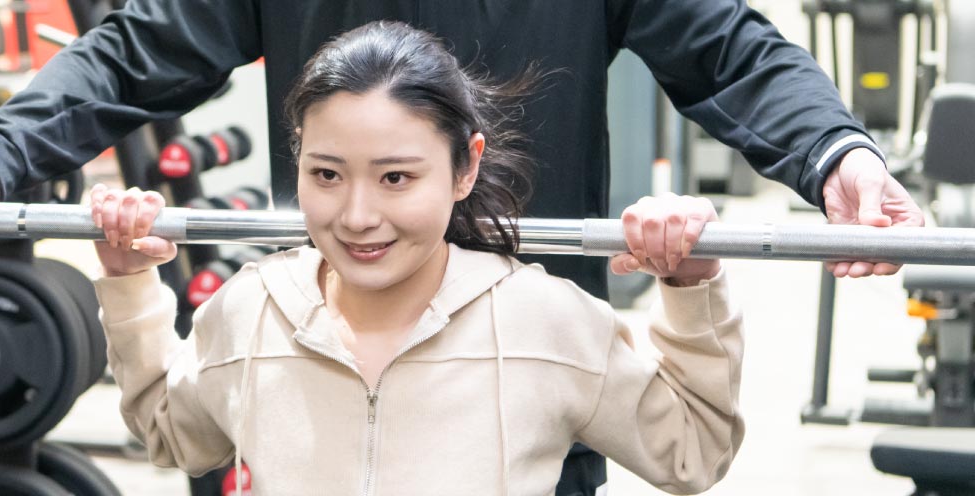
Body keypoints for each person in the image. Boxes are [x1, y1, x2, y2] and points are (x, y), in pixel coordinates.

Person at [0, 3, 918, 492]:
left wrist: (835, 153)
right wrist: (0, 152)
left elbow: (730, 51)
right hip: (318, 348)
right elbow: (145, 45)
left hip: (525, 372)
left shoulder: (555, 336)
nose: (368, 205)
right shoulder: (254, 317)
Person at [85, 21, 741, 494]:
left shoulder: (546, 321)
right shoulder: (252, 310)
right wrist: (129, 282)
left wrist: (691, 287)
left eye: (396, 178)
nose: (358, 215)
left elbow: (690, 453)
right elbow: (172, 436)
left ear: (464, 169)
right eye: (327, 175)